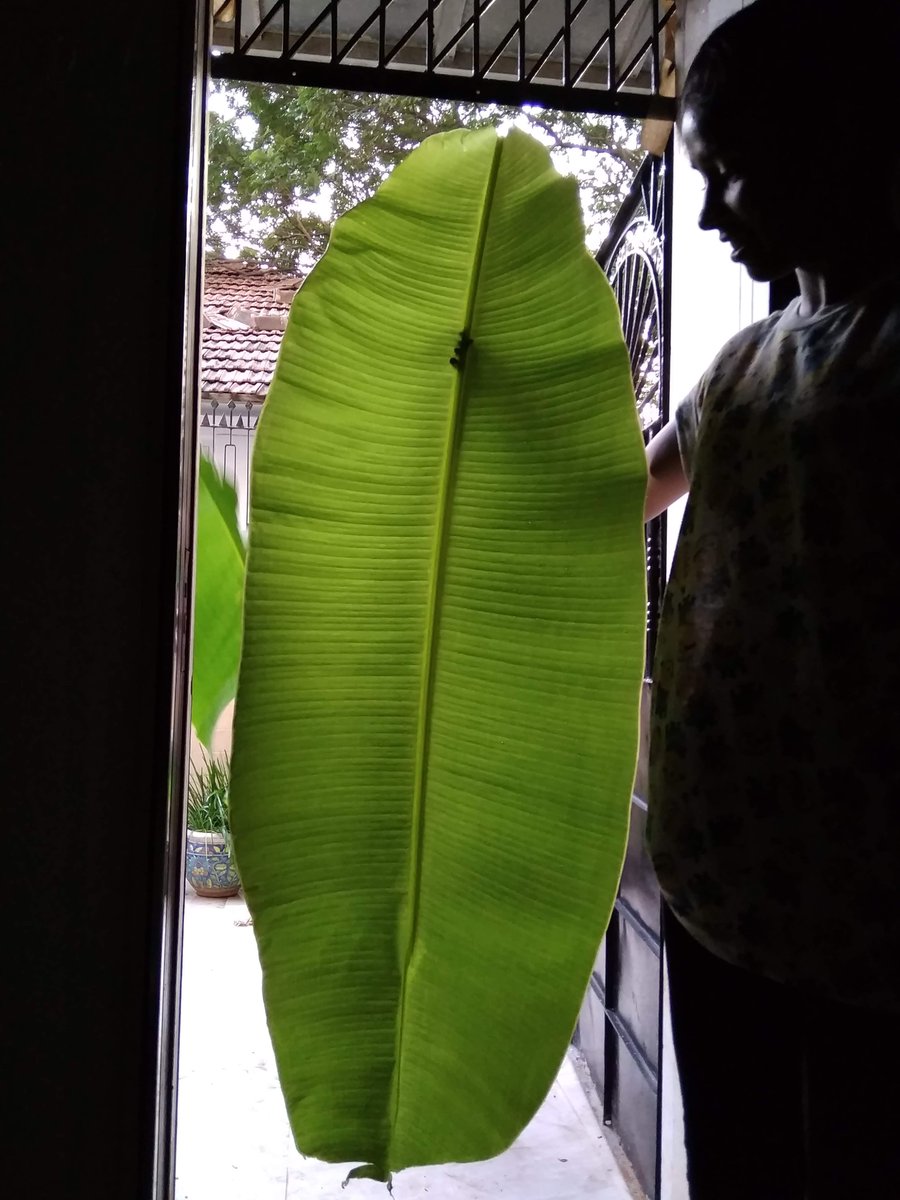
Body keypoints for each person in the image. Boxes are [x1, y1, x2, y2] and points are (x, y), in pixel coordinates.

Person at [642, 1, 900, 1195]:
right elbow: (629, 492)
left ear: (834, 142)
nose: (704, 214)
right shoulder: (746, 360)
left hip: (866, 933)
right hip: (717, 900)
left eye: (731, 176)